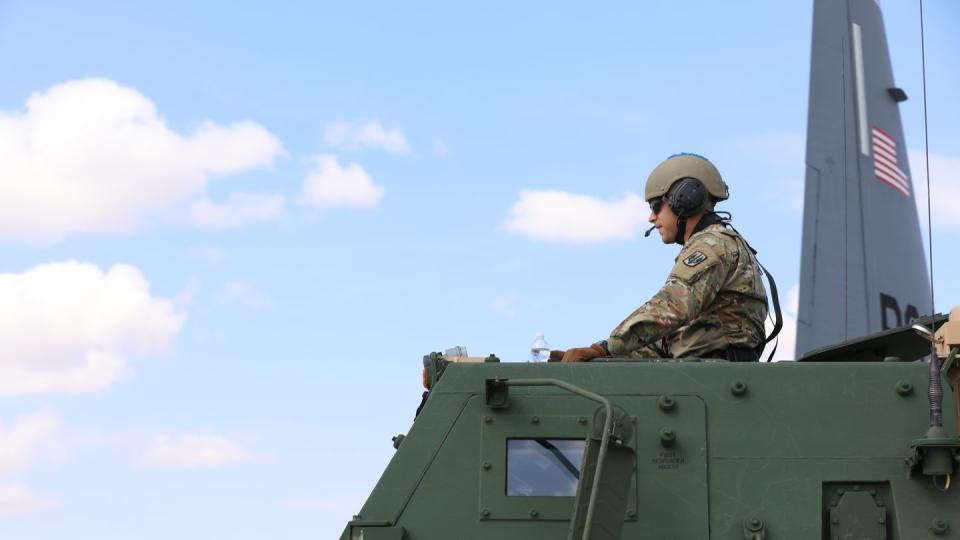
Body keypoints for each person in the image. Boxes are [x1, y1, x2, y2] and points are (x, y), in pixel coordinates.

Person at [558, 153, 769, 363]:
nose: (651, 217)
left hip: (713, 377)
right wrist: (600, 359)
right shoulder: (716, 243)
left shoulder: (711, 245)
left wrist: (606, 348)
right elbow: (669, 338)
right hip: (707, 374)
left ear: (684, 198)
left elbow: (671, 307)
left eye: (655, 206)